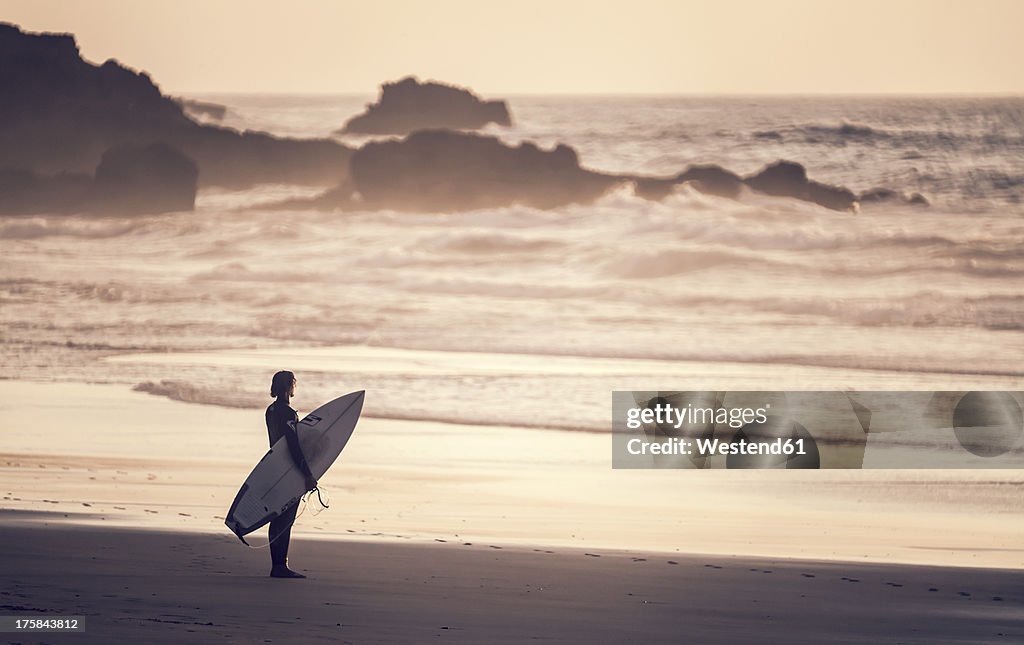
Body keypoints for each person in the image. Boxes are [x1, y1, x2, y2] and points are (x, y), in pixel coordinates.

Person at [265, 370, 317, 579]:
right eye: (294, 383)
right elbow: (293, 447)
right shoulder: (288, 413)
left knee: (277, 517)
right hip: (289, 470)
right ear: (290, 386)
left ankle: (276, 564)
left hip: (273, 467)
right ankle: (280, 567)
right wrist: (307, 474)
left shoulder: (270, 410)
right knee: (286, 519)